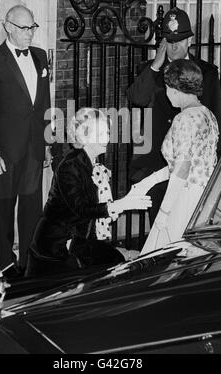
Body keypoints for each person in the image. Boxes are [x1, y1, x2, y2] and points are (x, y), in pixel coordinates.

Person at [127, 6, 221, 226]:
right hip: (157, 163)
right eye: (169, 41)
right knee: (160, 227)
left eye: (179, 41)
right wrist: (155, 65)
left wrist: (219, 167)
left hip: (193, 172)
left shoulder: (206, 72)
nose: (174, 47)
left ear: (189, 41)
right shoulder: (152, 70)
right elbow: (137, 98)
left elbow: (217, 119)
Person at [25, 107, 152, 277]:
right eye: (99, 134)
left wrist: (132, 197)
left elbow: (98, 208)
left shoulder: (93, 163)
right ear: (83, 136)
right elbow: (83, 210)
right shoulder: (69, 166)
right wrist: (121, 204)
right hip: (55, 248)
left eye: (107, 132)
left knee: (118, 265)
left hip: (80, 240)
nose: (106, 138)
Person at [0, 4, 51, 273]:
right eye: (24, 27)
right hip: (5, 151)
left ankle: (29, 264)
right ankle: (5, 266)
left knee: (33, 208)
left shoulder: (41, 57)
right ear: (7, 26)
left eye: (32, 27)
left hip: (34, 147)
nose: (30, 33)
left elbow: (43, 104)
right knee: (5, 209)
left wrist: (47, 142)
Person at [137, 59, 219, 254]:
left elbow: (182, 170)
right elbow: (190, 164)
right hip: (206, 198)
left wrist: (165, 211)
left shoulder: (183, 119)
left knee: (163, 257)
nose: (166, 94)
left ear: (175, 89)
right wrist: (149, 181)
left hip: (184, 198)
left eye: (167, 88)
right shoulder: (208, 115)